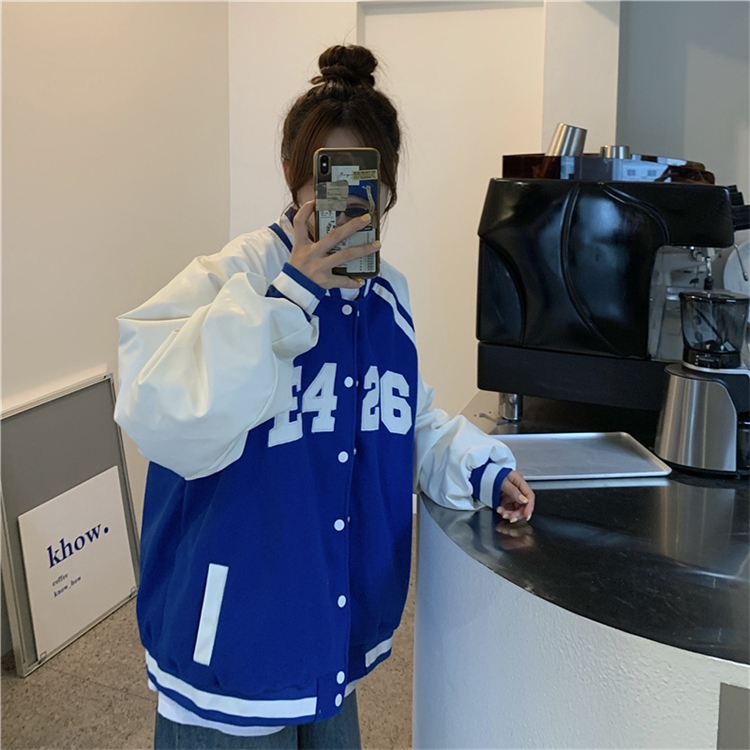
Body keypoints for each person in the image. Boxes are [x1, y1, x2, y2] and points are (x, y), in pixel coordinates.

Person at [114, 44, 535, 750]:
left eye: (364, 179)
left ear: (386, 185)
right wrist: (289, 298)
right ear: (292, 172)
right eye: (326, 177)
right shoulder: (234, 276)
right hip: (232, 647)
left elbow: (403, 418)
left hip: (329, 633)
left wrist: (479, 467)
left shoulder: (387, 296)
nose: (343, 201)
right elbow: (158, 412)